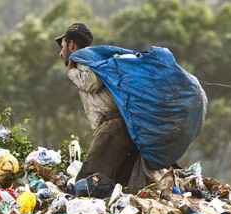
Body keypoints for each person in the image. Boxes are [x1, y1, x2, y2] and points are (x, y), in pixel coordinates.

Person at [56, 23, 161, 191]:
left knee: (88, 180)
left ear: (72, 45)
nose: (61, 53)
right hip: (119, 127)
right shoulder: (89, 60)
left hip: (113, 126)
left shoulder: (86, 60)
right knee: (119, 182)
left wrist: (70, 70)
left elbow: (91, 83)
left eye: (62, 46)